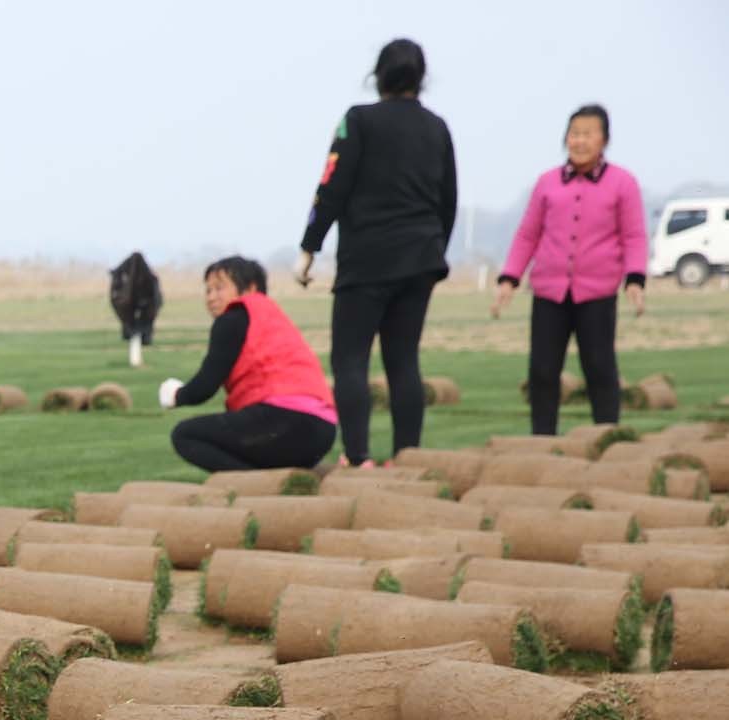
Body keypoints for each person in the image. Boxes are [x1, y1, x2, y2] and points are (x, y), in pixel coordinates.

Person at [295, 38, 457, 467]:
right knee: (403, 361)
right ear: (421, 79)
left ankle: (357, 456)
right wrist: (434, 250)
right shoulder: (437, 128)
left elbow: (332, 185)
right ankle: (407, 457)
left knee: (351, 360)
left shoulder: (358, 121)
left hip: (366, 260)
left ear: (378, 76)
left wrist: (310, 246)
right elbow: (448, 200)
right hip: (420, 258)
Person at [494, 104, 648, 434]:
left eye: (587, 134)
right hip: (549, 291)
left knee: (599, 368)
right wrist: (509, 278)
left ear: (604, 140)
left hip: (597, 292)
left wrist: (635, 279)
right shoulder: (547, 183)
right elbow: (528, 234)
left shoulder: (622, 183)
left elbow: (634, 236)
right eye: (574, 134)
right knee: (542, 371)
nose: (579, 141)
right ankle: (542, 441)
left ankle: (607, 436)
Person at [157, 258, 338, 472]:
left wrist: (176, 396)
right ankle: (269, 481)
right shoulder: (272, 319)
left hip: (285, 422)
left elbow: (205, 386)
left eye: (219, 288)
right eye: (208, 290)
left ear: (250, 288)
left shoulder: (231, 319)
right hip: (323, 429)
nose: (211, 297)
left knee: (185, 435)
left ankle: (251, 483)